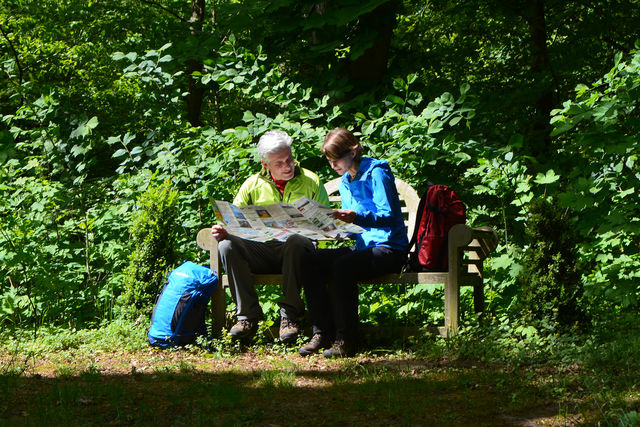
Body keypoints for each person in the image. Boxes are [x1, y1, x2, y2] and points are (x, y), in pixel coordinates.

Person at [211, 130, 329, 343]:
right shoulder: (252, 184)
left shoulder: (311, 180)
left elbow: (325, 223)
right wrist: (224, 230)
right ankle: (247, 316)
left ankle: (290, 317)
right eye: (279, 163)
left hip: (297, 254)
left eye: (289, 159)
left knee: (295, 241)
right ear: (265, 164)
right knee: (226, 245)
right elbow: (234, 220)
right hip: (262, 251)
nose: (288, 166)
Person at [299, 128, 409, 357]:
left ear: (353, 150)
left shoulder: (377, 172)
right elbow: (352, 229)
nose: (333, 165)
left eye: (336, 159)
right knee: (310, 261)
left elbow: (388, 215)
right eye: (329, 161)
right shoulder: (345, 181)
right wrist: (332, 229)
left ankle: (345, 340)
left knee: (343, 266)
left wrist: (356, 217)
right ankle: (322, 333)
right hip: (363, 247)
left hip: (390, 248)